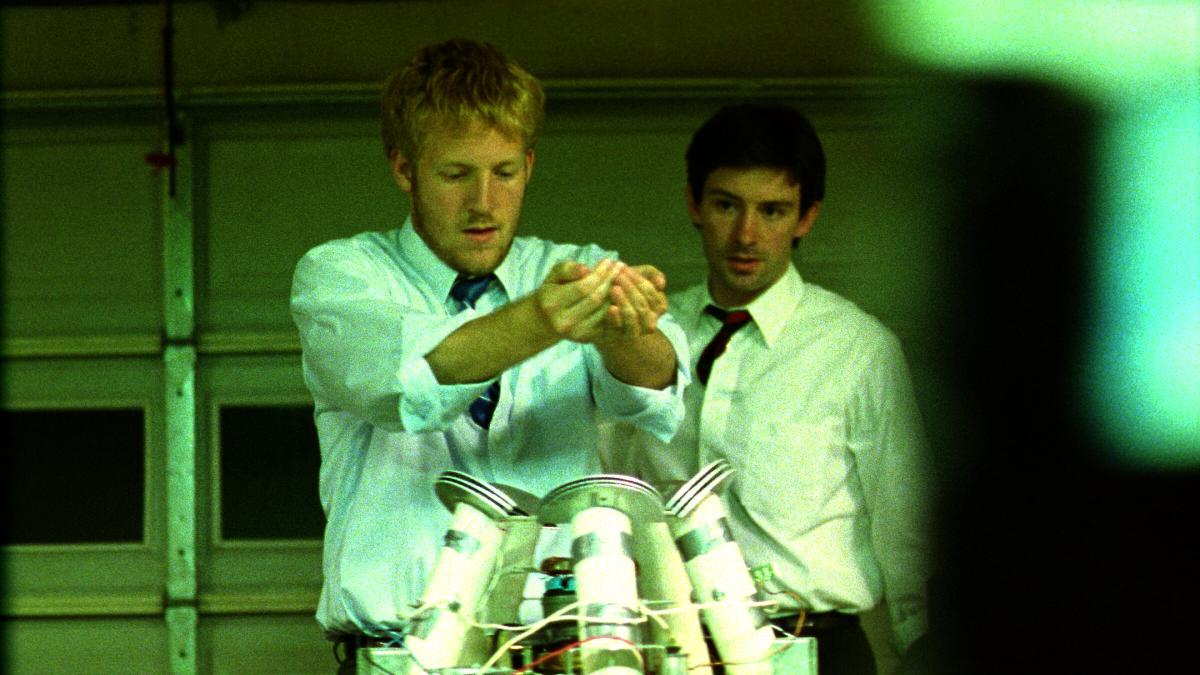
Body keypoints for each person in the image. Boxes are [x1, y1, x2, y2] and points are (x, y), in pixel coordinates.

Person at [289, 38, 689, 670]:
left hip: (559, 654)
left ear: (529, 165)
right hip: (398, 660)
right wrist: (542, 318)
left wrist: (626, 326)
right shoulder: (341, 276)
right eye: (456, 174)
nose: (483, 201)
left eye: (504, 172)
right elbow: (405, 382)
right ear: (404, 169)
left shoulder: (574, 268)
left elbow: (659, 392)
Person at [609, 103, 933, 675]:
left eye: (773, 210)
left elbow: (906, 526)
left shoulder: (858, 350)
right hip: (671, 650)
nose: (746, 235)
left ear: (807, 217)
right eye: (726, 205)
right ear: (694, 204)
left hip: (815, 650)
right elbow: (608, 492)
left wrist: (930, 650)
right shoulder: (648, 336)